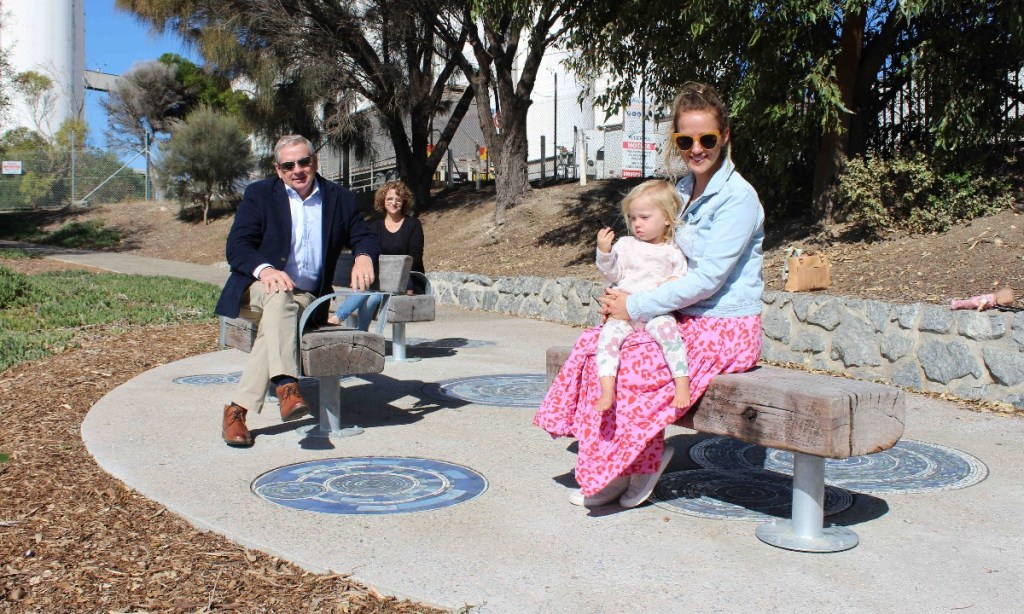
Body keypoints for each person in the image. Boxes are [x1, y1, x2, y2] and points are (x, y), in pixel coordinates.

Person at [534, 82, 764, 509]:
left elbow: (710, 279)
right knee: (594, 349)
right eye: (686, 140)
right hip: (682, 316)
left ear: (725, 136)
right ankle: (614, 468)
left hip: (723, 326)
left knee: (636, 366)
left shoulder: (737, 199)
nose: (697, 148)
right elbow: (649, 250)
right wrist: (621, 294)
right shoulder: (677, 191)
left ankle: (637, 464)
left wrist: (634, 306)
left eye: (707, 139)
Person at [215, 134, 380, 447]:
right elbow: (237, 247)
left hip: (306, 297)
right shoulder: (260, 194)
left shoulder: (338, 198)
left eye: (303, 161)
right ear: (278, 170)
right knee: (278, 297)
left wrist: (362, 256)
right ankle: (286, 385)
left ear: (314, 163)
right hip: (257, 289)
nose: (297, 169)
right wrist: (266, 269)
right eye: (288, 165)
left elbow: (365, 235)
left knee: (281, 312)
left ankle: (237, 411)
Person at [594, 180, 690, 413]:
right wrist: (604, 252)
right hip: (622, 313)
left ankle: (682, 384)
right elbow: (613, 273)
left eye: (644, 217)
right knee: (607, 340)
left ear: (667, 217)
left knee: (670, 337)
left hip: (656, 311)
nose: (637, 224)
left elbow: (682, 278)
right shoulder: (626, 245)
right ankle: (607, 389)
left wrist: (671, 282)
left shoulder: (672, 250)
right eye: (633, 218)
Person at [328, 180, 425, 329]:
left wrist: (401, 278)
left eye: (398, 199)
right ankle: (353, 329)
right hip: (379, 282)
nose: (394, 203)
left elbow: (416, 258)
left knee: (372, 295)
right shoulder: (374, 227)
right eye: (390, 199)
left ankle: (348, 325)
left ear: (404, 202)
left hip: (406, 281)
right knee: (370, 294)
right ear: (383, 201)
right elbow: (370, 255)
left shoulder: (413, 224)